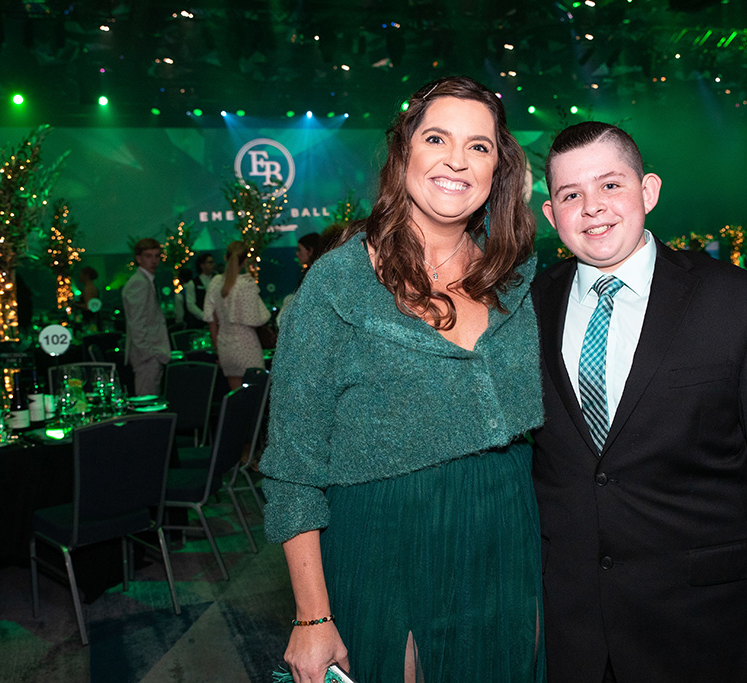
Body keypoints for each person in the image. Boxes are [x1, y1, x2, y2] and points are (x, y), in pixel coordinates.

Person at [531, 122, 747, 683]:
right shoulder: (527, 307)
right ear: (551, 214)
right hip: (572, 637)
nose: (592, 207)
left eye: (610, 185)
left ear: (648, 190)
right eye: (571, 195)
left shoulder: (735, 301)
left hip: (707, 632)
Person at [260, 76, 543, 683]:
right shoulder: (337, 284)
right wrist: (312, 617)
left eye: (478, 146)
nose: (456, 161)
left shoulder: (517, 280)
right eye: (437, 138)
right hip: (384, 544)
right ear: (403, 152)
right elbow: (292, 465)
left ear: (498, 169)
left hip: (505, 541)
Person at [204, 241, 271, 391]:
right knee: (254, 397)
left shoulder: (215, 283)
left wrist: (218, 349)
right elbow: (256, 320)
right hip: (246, 344)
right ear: (245, 260)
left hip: (225, 346)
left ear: (225, 257)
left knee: (236, 397)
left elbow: (211, 320)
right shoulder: (246, 284)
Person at [122, 238, 171, 396]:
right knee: (147, 401)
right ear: (138, 258)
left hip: (149, 353)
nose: (154, 261)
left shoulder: (145, 281)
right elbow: (137, 324)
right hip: (146, 356)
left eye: (157, 256)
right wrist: (150, 354)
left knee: (150, 398)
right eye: (148, 256)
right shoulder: (139, 283)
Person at [184, 253, 216, 329]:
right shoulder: (193, 283)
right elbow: (190, 304)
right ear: (202, 265)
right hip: (200, 323)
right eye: (210, 262)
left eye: (213, 262)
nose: (213, 265)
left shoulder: (218, 280)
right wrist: (203, 316)